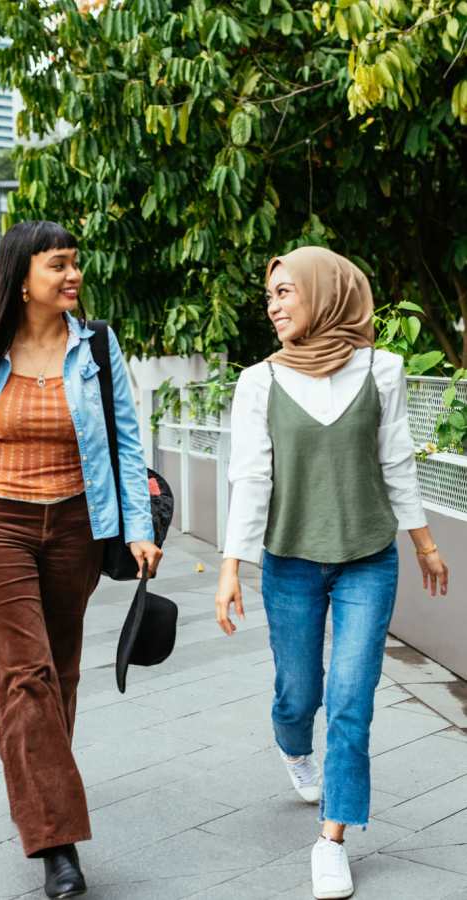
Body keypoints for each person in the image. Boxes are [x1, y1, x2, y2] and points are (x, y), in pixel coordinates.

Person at [0, 221, 162, 898]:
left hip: (79, 523)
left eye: (76, 264)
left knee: (59, 671)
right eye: (59, 265)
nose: (73, 275)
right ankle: (58, 842)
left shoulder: (98, 346)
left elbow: (128, 444)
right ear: (23, 278)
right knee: (26, 674)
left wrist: (139, 528)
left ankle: (34, 783)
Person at [215, 246, 449, 900]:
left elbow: (396, 461)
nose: (275, 306)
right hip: (289, 563)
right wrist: (232, 566)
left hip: (368, 561)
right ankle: (294, 746)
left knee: (351, 698)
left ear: (326, 292)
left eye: (286, 292)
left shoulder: (383, 369)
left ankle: (333, 839)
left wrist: (424, 544)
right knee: (299, 695)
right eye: (270, 297)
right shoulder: (259, 380)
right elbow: (250, 478)